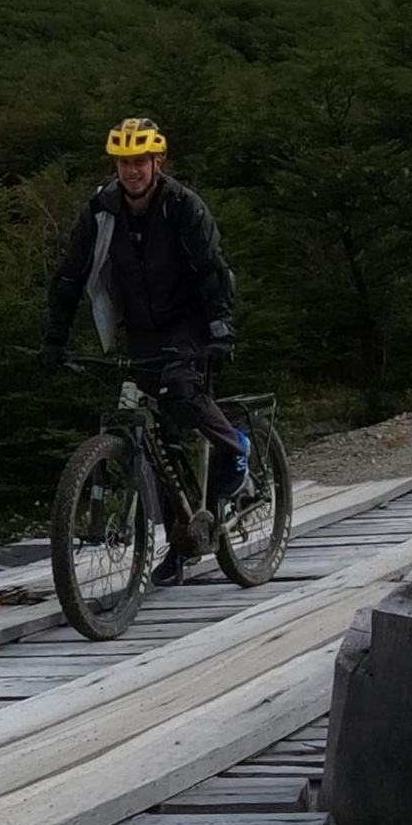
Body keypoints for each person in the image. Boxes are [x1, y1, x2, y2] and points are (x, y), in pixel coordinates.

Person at [40, 117, 249, 583]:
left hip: (190, 321)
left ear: (157, 162)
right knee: (160, 442)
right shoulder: (102, 210)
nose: (131, 171)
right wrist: (55, 336)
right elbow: (71, 275)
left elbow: (213, 269)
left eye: (139, 161)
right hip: (141, 327)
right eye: (123, 162)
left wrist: (219, 328)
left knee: (181, 390)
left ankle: (236, 447)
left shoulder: (182, 206)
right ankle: (183, 543)